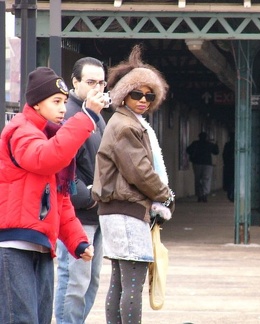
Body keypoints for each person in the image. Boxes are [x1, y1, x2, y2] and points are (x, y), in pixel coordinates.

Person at [0, 67, 102, 324]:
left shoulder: (49, 136)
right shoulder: (20, 131)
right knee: (21, 319)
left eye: (65, 102)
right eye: (56, 102)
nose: (62, 109)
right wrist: (85, 117)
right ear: (35, 104)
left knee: (40, 319)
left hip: (40, 246)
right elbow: (45, 158)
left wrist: (78, 241)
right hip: (12, 247)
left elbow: (60, 200)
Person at [91, 44, 175, 323]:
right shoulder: (127, 126)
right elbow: (139, 171)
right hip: (126, 211)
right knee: (133, 284)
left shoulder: (123, 122)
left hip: (116, 211)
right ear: (123, 95)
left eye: (149, 96)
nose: (143, 100)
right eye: (136, 94)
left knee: (120, 281)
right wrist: (165, 195)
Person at [55, 57, 107, 324]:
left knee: (91, 281)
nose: (97, 87)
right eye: (90, 82)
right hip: (77, 213)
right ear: (75, 82)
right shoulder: (72, 116)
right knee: (74, 280)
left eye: (101, 82)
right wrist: (86, 198)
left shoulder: (96, 116)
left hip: (96, 213)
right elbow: (61, 166)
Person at [186, 131, 219, 202]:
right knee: (206, 179)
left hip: (197, 163)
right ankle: (204, 194)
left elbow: (188, 150)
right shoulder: (209, 144)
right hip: (207, 164)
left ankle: (199, 194)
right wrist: (216, 145)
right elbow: (216, 152)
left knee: (198, 179)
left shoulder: (195, 144)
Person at [223, 131, 235, 202]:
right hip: (235, 165)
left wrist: (226, 162)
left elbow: (224, 155)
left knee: (230, 180)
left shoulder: (227, 145)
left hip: (229, 165)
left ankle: (230, 194)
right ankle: (232, 194)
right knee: (234, 180)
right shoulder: (239, 144)